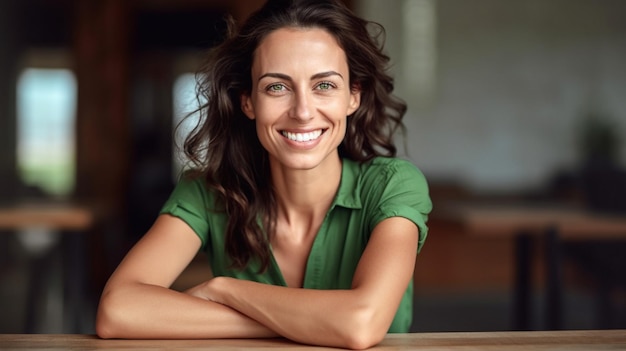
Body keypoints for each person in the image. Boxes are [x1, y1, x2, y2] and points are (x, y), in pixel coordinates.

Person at [95, 0, 432, 349]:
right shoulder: (209, 191)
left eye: (324, 86)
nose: (302, 112)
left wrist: (225, 290)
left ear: (353, 96)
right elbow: (117, 310)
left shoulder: (394, 185)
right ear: (248, 101)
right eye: (277, 87)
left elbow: (361, 323)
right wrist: (309, 323)